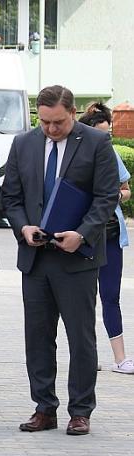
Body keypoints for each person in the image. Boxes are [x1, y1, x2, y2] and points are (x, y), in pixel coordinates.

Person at [2, 85, 119, 436]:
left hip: (77, 258)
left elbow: (106, 197)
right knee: (37, 337)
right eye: (44, 122)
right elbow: (11, 197)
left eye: (58, 123)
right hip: (35, 258)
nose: (51, 129)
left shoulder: (96, 143)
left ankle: (80, 411)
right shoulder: (23, 144)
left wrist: (81, 234)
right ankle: (44, 408)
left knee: (80, 337)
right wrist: (23, 228)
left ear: (72, 113)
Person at [79, 103, 133, 373]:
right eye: (100, 134)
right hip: (81, 237)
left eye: (107, 134)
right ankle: (88, 356)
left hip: (109, 234)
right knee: (82, 298)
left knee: (110, 295)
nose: (105, 140)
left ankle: (121, 358)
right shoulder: (75, 157)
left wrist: (113, 197)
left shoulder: (111, 154)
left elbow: (126, 190)